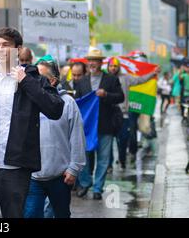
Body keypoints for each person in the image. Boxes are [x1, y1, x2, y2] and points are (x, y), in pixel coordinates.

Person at [0, 27, 64, 218]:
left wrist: (26, 81)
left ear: (18, 49)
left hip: (16, 167)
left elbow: (55, 109)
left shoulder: (33, 77)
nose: (1, 50)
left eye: (6, 45)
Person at [24, 55, 86, 218]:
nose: (34, 81)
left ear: (52, 81)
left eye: (40, 78)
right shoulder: (27, 102)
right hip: (32, 177)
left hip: (60, 176)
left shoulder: (67, 103)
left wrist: (74, 168)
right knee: (30, 215)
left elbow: (77, 137)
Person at [74, 49, 124, 200]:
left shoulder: (111, 80)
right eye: (90, 60)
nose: (92, 63)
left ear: (101, 62)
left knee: (103, 158)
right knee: (83, 157)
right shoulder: (81, 81)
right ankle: (85, 182)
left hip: (105, 125)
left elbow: (120, 97)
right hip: (87, 127)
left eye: (95, 60)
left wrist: (106, 95)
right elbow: (77, 102)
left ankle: (98, 188)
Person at [106, 57, 159, 169]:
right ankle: (109, 165)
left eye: (115, 66)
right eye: (111, 66)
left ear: (118, 67)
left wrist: (152, 73)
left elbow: (140, 79)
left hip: (123, 115)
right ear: (108, 67)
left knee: (123, 139)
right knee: (108, 141)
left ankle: (122, 159)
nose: (113, 68)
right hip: (108, 115)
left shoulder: (126, 78)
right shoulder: (104, 78)